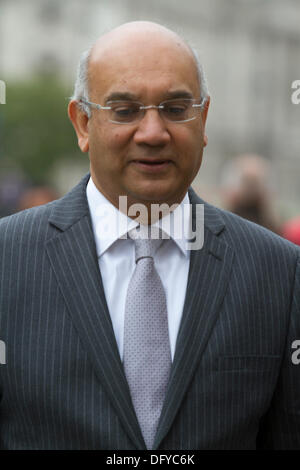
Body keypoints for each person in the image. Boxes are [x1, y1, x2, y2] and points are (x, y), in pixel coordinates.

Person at [0, 21, 299, 450]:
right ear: (82, 123)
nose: (154, 133)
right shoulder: (8, 258)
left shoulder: (278, 272)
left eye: (176, 109)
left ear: (204, 118)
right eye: (124, 111)